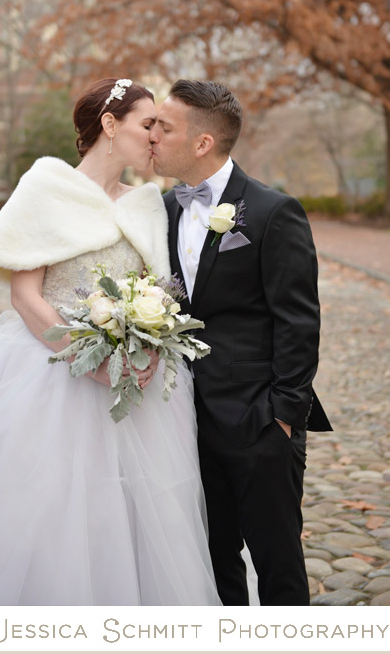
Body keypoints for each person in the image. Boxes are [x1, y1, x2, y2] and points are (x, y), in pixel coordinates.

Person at [0, 78, 221, 606]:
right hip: (48, 371)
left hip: (139, 390)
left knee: (142, 514)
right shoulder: (46, 188)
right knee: (52, 515)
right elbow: (25, 295)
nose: (156, 138)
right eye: (147, 124)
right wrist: (89, 358)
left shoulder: (150, 203)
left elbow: (159, 293)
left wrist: (147, 345)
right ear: (109, 125)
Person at [151, 80, 331, 606]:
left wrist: (283, 415)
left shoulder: (274, 212)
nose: (153, 136)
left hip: (259, 424)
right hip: (182, 422)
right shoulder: (161, 211)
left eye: (165, 126)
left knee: (277, 566)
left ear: (203, 143)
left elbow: (299, 321)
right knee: (211, 564)